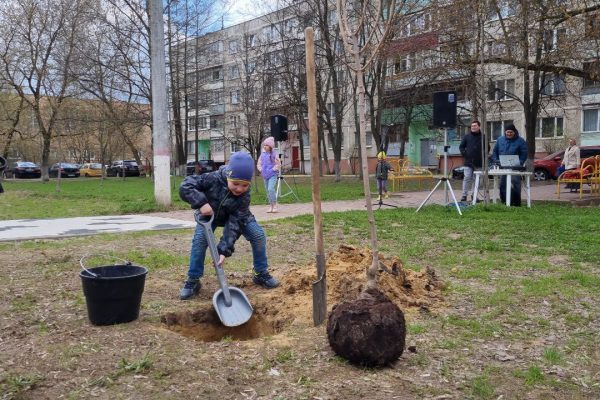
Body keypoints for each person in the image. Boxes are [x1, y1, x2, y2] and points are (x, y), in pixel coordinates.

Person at [178, 151, 280, 300]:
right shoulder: (211, 178)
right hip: (208, 215)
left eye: (245, 185)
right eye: (235, 183)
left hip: (238, 216)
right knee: (200, 240)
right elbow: (185, 186)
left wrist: (223, 250)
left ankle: (260, 273)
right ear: (228, 176)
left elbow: (235, 222)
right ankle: (193, 280)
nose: (239, 189)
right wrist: (201, 203)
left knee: (258, 235)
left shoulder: (244, 196)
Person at [491, 124, 528, 206]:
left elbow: (524, 153)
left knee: (515, 185)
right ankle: (504, 202)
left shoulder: (520, 141)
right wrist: (496, 161)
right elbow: (495, 152)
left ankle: (516, 203)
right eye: (507, 132)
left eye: (511, 132)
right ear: (505, 132)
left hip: (515, 167)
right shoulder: (500, 140)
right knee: (503, 185)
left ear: (514, 132)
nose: (509, 134)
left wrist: (520, 163)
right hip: (502, 167)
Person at [459, 120, 484, 202]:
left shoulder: (483, 136)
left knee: (478, 179)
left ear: (479, 126)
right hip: (468, 162)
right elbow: (461, 147)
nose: (473, 127)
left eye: (475, 126)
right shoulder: (467, 136)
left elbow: (487, 148)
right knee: (467, 178)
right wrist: (465, 154)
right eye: (472, 126)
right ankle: (464, 195)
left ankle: (474, 195)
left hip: (479, 162)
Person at [256, 136, 281, 213]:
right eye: (264, 145)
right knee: (267, 191)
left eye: (266, 145)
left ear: (270, 146)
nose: (265, 146)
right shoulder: (262, 154)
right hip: (265, 175)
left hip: (273, 175)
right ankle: (271, 206)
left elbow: (278, 164)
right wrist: (261, 170)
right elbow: (259, 164)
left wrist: (273, 170)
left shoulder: (274, 154)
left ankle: (275, 205)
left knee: (270, 189)